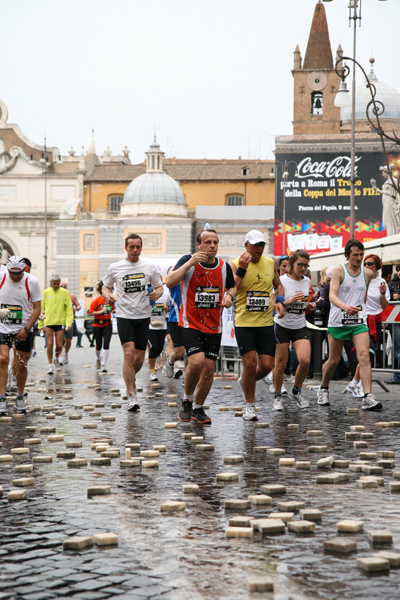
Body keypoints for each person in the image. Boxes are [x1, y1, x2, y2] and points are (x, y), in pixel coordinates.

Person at [166, 228, 235, 425]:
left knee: (208, 369)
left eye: (215, 242)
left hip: (214, 325)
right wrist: (190, 262)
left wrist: (229, 295)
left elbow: (232, 286)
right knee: (196, 361)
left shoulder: (224, 266)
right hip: (190, 323)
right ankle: (186, 401)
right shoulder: (187, 260)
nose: (212, 246)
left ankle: (198, 407)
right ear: (198, 245)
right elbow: (170, 282)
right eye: (207, 242)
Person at [316, 239, 382, 410]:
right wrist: (345, 306)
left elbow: (363, 294)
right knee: (333, 360)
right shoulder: (339, 271)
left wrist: (364, 310)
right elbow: (332, 296)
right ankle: (323, 389)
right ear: (347, 255)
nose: (359, 258)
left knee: (364, 356)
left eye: (361, 254)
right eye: (355, 255)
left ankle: (368, 396)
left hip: (358, 322)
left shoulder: (368, 273)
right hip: (338, 320)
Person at [102, 233, 163, 411]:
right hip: (124, 316)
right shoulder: (115, 267)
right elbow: (105, 286)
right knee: (128, 355)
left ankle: (130, 378)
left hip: (143, 316)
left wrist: (157, 293)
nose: (135, 250)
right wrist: (108, 295)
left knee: (138, 359)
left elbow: (159, 286)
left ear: (141, 248)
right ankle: (131, 395)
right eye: (131, 247)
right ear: (126, 248)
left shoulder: (149, 266)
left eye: (138, 247)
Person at [231, 230, 285, 421]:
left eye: (262, 245)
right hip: (244, 323)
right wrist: (242, 269)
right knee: (250, 364)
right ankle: (249, 406)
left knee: (267, 366)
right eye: (255, 245)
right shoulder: (235, 264)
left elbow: (279, 284)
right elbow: (232, 290)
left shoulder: (270, 263)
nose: (259, 249)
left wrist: (279, 300)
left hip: (265, 323)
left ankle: (245, 381)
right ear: (246, 245)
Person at [273, 250, 315, 410]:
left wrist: (308, 305)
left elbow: (302, 303)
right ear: (291, 264)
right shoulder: (281, 281)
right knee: (281, 364)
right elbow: (274, 305)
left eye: (305, 265)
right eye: (299, 264)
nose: (303, 268)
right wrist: (289, 301)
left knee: (305, 361)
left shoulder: (306, 281)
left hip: (299, 325)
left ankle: (296, 391)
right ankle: (277, 396)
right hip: (282, 325)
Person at [0, 256, 42, 414]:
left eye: (19, 273)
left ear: (24, 270)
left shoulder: (32, 282)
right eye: (12, 273)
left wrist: (26, 328)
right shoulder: (1, 277)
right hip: (2, 326)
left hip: (24, 326)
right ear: (8, 270)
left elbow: (37, 308)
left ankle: (19, 395)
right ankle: (1, 397)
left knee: (22, 364)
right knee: (3, 359)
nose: (15, 276)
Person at [344, 254, 389, 396]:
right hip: (362, 320)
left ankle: (355, 383)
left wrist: (382, 294)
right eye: (365, 264)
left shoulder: (381, 281)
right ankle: (360, 386)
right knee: (367, 353)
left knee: (369, 355)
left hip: (376, 320)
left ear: (377, 266)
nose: (367, 266)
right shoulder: (360, 279)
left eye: (370, 264)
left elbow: (384, 305)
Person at [42, 274, 74, 374]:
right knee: (50, 343)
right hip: (48, 322)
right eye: (54, 283)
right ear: (51, 282)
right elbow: (42, 309)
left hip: (60, 322)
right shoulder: (45, 292)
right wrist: (40, 324)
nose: (56, 285)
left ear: (59, 282)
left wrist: (69, 323)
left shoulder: (65, 293)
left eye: (57, 284)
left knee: (59, 345)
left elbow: (69, 309)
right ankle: (50, 364)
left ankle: (56, 358)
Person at [163, 267, 185, 379]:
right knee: (179, 353)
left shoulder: (189, 280)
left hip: (191, 321)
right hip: (175, 320)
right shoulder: (173, 283)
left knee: (193, 354)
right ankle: (170, 361)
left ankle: (188, 380)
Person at [88, 281, 115, 372]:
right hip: (97, 325)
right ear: (101, 290)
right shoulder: (96, 301)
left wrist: (113, 311)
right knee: (98, 345)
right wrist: (101, 311)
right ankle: (98, 359)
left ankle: (103, 364)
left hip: (108, 324)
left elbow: (113, 308)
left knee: (106, 344)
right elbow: (91, 312)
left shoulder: (111, 300)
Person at [147, 283, 169, 381]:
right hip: (150, 326)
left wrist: (166, 308)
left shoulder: (166, 294)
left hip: (162, 325)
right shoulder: (147, 294)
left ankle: (153, 362)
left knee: (159, 349)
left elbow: (169, 308)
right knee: (154, 347)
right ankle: (152, 371)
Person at [371, 166, 400, 237]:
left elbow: (398, 192)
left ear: (387, 172)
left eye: (383, 173)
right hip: (385, 202)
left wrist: (399, 204)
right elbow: (385, 192)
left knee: (391, 221)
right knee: (387, 221)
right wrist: (375, 188)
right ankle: (390, 236)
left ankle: (392, 236)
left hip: (390, 202)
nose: (383, 175)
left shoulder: (394, 181)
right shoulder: (387, 181)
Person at [60, 281, 82, 363]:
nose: (63, 288)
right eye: (61, 286)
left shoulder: (71, 296)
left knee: (68, 340)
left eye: (64, 286)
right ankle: (60, 356)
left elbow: (79, 306)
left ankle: (65, 353)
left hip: (69, 320)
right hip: (60, 320)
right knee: (60, 340)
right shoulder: (57, 296)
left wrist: (76, 309)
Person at [386, 264, 400, 384]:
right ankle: (397, 375)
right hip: (394, 320)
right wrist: (392, 296)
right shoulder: (391, 284)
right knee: (396, 346)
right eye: (399, 270)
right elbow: (385, 299)